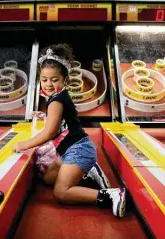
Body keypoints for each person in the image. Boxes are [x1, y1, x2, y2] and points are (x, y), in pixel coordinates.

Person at [13, 44, 126, 218]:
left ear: (65, 80)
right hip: (67, 151)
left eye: (54, 79)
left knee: (60, 193)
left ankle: (109, 195)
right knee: (46, 179)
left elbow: (49, 133)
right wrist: (46, 116)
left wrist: (24, 145)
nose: (49, 84)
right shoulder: (58, 98)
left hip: (78, 150)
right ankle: (87, 174)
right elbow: (63, 119)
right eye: (44, 79)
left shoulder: (56, 100)